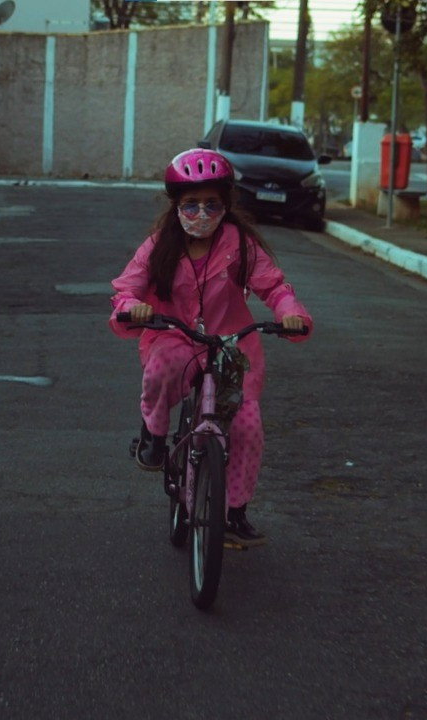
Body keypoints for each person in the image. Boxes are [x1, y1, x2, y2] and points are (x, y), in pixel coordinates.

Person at [109, 148, 313, 547]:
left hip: (231, 345)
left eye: (211, 204)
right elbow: (126, 288)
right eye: (191, 205)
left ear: (226, 205)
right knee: (162, 368)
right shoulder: (158, 246)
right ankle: (154, 435)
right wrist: (133, 307)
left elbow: (274, 287)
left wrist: (290, 312)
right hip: (175, 337)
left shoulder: (241, 245)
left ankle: (234, 510)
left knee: (248, 426)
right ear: (176, 206)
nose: (201, 214)